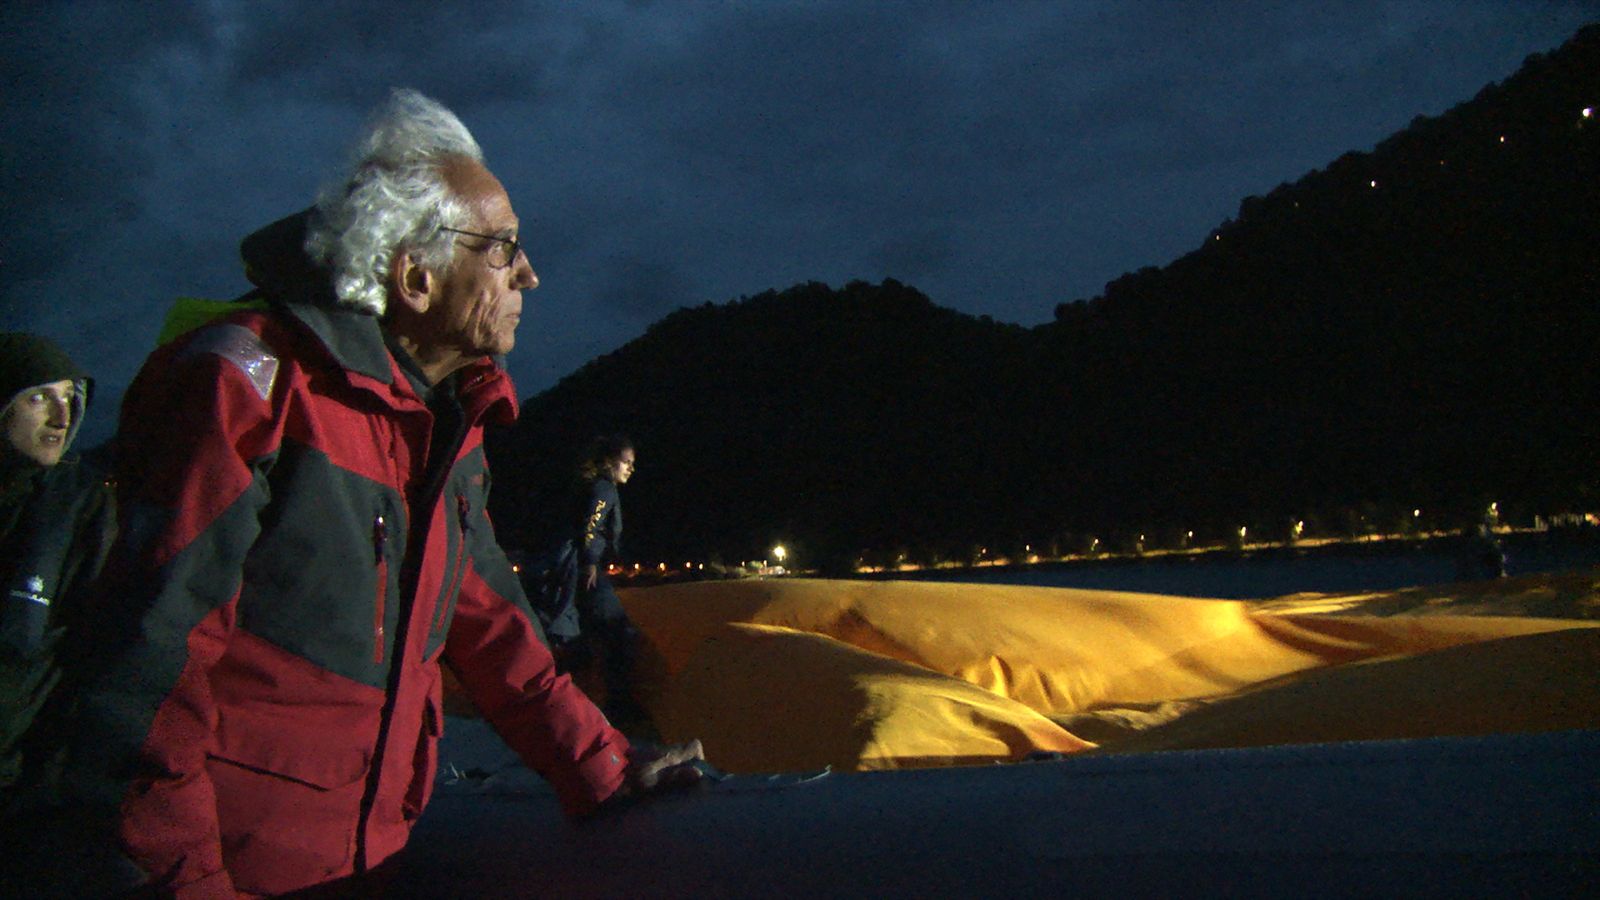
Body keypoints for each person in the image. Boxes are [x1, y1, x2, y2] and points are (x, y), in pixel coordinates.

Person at [40, 89, 704, 897]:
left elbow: (491, 624)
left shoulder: (447, 425)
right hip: (231, 870)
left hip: (369, 854)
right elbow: (148, 662)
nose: (529, 273)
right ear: (416, 276)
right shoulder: (248, 386)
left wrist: (603, 767)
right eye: (503, 248)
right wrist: (186, 882)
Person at [0, 334, 116, 788]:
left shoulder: (77, 509)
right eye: (38, 398)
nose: (61, 417)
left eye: (69, 398)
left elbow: (88, 646)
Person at [530, 435, 646, 726]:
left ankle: (562, 708)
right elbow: (590, 526)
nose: (631, 469)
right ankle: (619, 707)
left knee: (582, 640)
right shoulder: (604, 488)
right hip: (582, 569)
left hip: (572, 569)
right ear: (609, 462)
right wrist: (591, 562)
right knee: (620, 630)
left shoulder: (587, 484)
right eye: (626, 462)